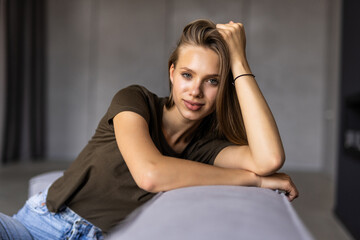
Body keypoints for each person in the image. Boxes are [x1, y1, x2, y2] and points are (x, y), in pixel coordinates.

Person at [0, 19, 298, 239]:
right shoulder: (135, 100)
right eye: (187, 75)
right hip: (37, 225)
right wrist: (255, 182)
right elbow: (150, 174)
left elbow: (269, 159)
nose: (195, 90)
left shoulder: (206, 148)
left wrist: (239, 61)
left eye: (212, 80)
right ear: (172, 74)